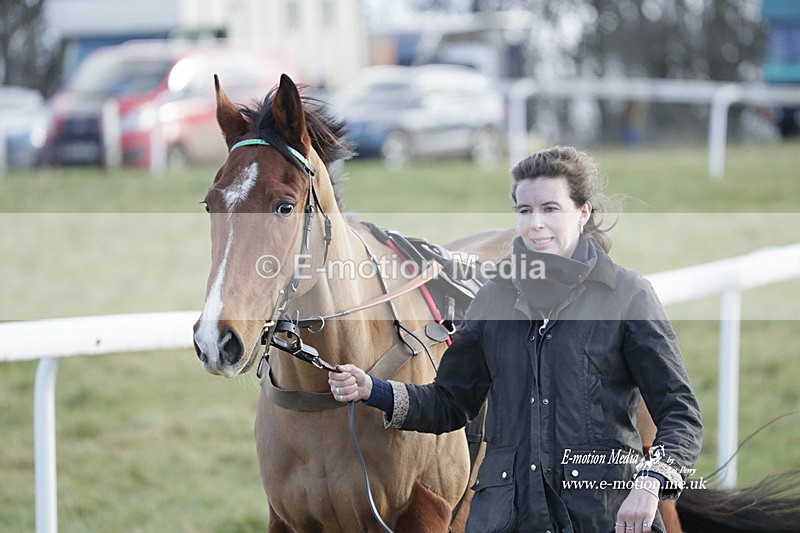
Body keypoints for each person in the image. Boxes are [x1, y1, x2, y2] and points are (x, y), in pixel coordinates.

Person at [329, 146, 703, 533]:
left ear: (584, 212)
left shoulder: (627, 295)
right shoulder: (493, 298)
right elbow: (451, 403)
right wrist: (373, 389)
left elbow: (680, 414)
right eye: (525, 211)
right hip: (506, 520)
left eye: (550, 209)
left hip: (605, 520)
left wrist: (650, 483)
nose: (535, 224)